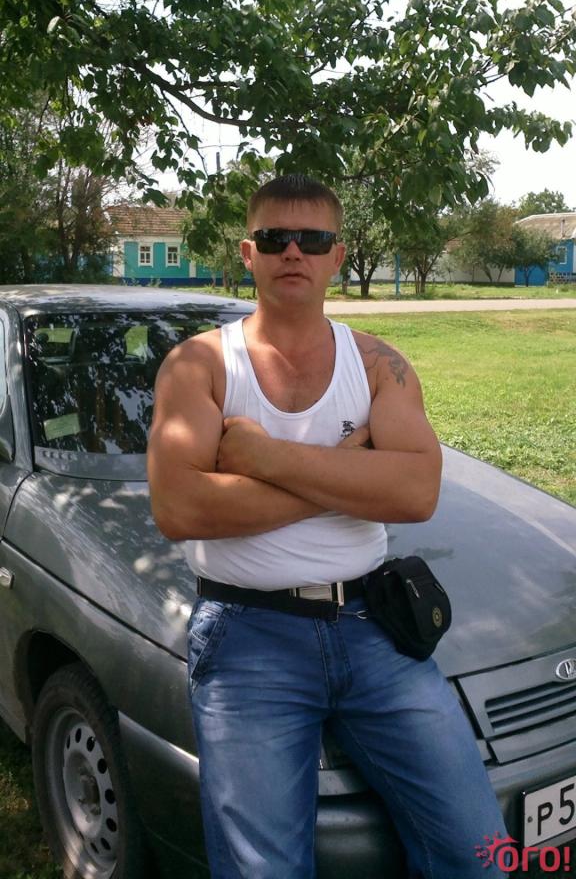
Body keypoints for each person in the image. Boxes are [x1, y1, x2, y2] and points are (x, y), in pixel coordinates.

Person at [147, 174, 506, 879]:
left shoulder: (377, 364)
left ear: (337, 256)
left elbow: (417, 491)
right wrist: (348, 474)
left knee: (478, 854)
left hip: (375, 631)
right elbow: (180, 509)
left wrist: (264, 458)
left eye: (312, 239)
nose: (293, 252)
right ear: (248, 253)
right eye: (275, 238)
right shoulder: (201, 365)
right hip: (248, 637)